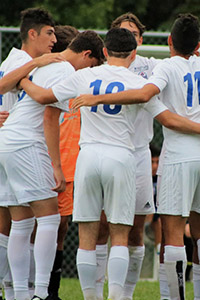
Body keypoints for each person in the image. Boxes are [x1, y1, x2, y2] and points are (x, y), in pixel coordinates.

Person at [19, 27, 200, 300]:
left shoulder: (84, 75)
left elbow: (43, 97)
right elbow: (167, 118)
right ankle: (118, 296)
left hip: (88, 156)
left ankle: (90, 297)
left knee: (87, 234)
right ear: (134, 55)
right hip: (121, 157)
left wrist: (23, 80)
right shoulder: (136, 84)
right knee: (120, 234)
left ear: (105, 52)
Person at [69, 14, 200, 300]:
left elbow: (144, 94)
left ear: (169, 42)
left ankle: (174, 297)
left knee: (172, 233)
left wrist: (98, 98)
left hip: (178, 156)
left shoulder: (166, 68)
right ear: (199, 45)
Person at [0, 30, 104, 300]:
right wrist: (56, 166)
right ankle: (42, 293)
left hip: (7, 140)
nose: (88, 71)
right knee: (49, 218)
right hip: (26, 142)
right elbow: (48, 117)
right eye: (91, 65)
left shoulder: (48, 65)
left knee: (21, 223)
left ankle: (19, 294)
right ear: (86, 55)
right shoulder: (66, 71)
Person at [95, 13, 161, 300]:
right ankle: (95, 292)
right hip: (104, 152)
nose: (129, 37)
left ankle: (126, 295)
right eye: (123, 32)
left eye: (133, 33)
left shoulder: (154, 67)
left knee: (135, 231)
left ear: (141, 39)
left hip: (137, 155)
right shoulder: (100, 67)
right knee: (99, 228)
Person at [0, 7, 65, 300]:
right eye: (49, 33)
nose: (54, 39)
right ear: (32, 33)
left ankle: (18, 292)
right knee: (24, 221)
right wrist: (34, 64)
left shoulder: (27, 62)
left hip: (12, 146)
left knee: (18, 222)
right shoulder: (20, 60)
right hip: (17, 146)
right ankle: (30, 291)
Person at [46, 24, 79, 300]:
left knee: (60, 228)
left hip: (67, 168)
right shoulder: (41, 78)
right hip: (39, 162)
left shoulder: (84, 83)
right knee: (29, 227)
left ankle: (51, 291)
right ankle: (23, 286)